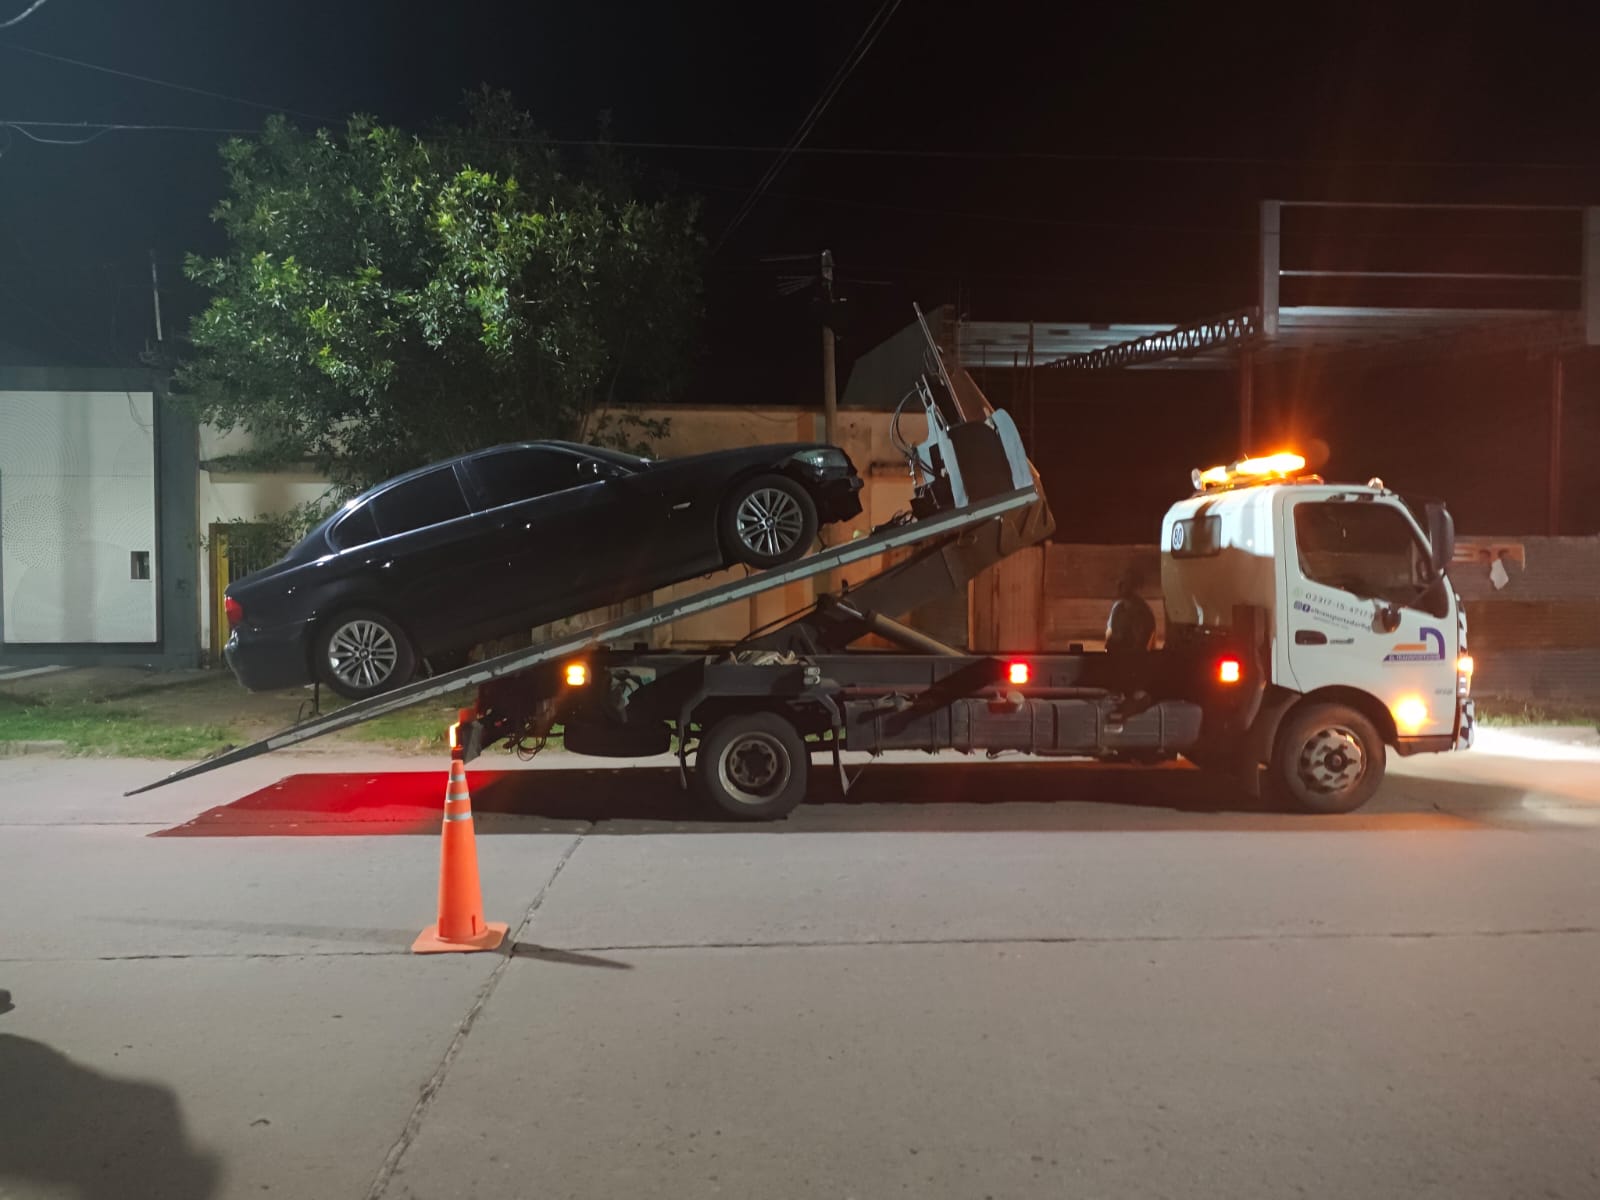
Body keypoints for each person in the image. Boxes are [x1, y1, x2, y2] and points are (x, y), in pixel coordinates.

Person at [1105, 566, 1156, 654]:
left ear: (1136, 586)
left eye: (1125, 582)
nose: (1119, 585)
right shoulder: (1118, 608)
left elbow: (1140, 645)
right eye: (1120, 582)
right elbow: (1109, 636)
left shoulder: (1142, 613)